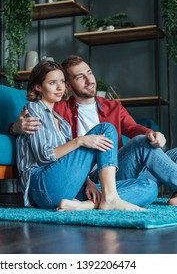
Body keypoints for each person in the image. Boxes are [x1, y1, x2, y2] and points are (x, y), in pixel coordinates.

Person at [11, 55, 177, 207]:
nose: (88, 80)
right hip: (81, 174)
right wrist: (15, 126)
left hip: (113, 168)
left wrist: (153, 134)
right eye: (78, 77)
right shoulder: (58, 109)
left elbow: (133, 128)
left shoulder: (111, 106)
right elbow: (32, 133)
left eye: (89, 73)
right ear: (70, 86)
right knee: (111, 133)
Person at [16, 60, 155, 211]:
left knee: (149, 186)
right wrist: (80, 141)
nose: (59, 87)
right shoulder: (33, 110)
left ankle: (88, 204)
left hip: (65, 187)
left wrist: (88, 183)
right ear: (38, 87)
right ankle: (109, 199)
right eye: (52, 83)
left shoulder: (62, 121)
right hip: (42, 187)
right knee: (106, 129)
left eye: (62, 82)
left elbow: (68, 162)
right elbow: (44, 156)